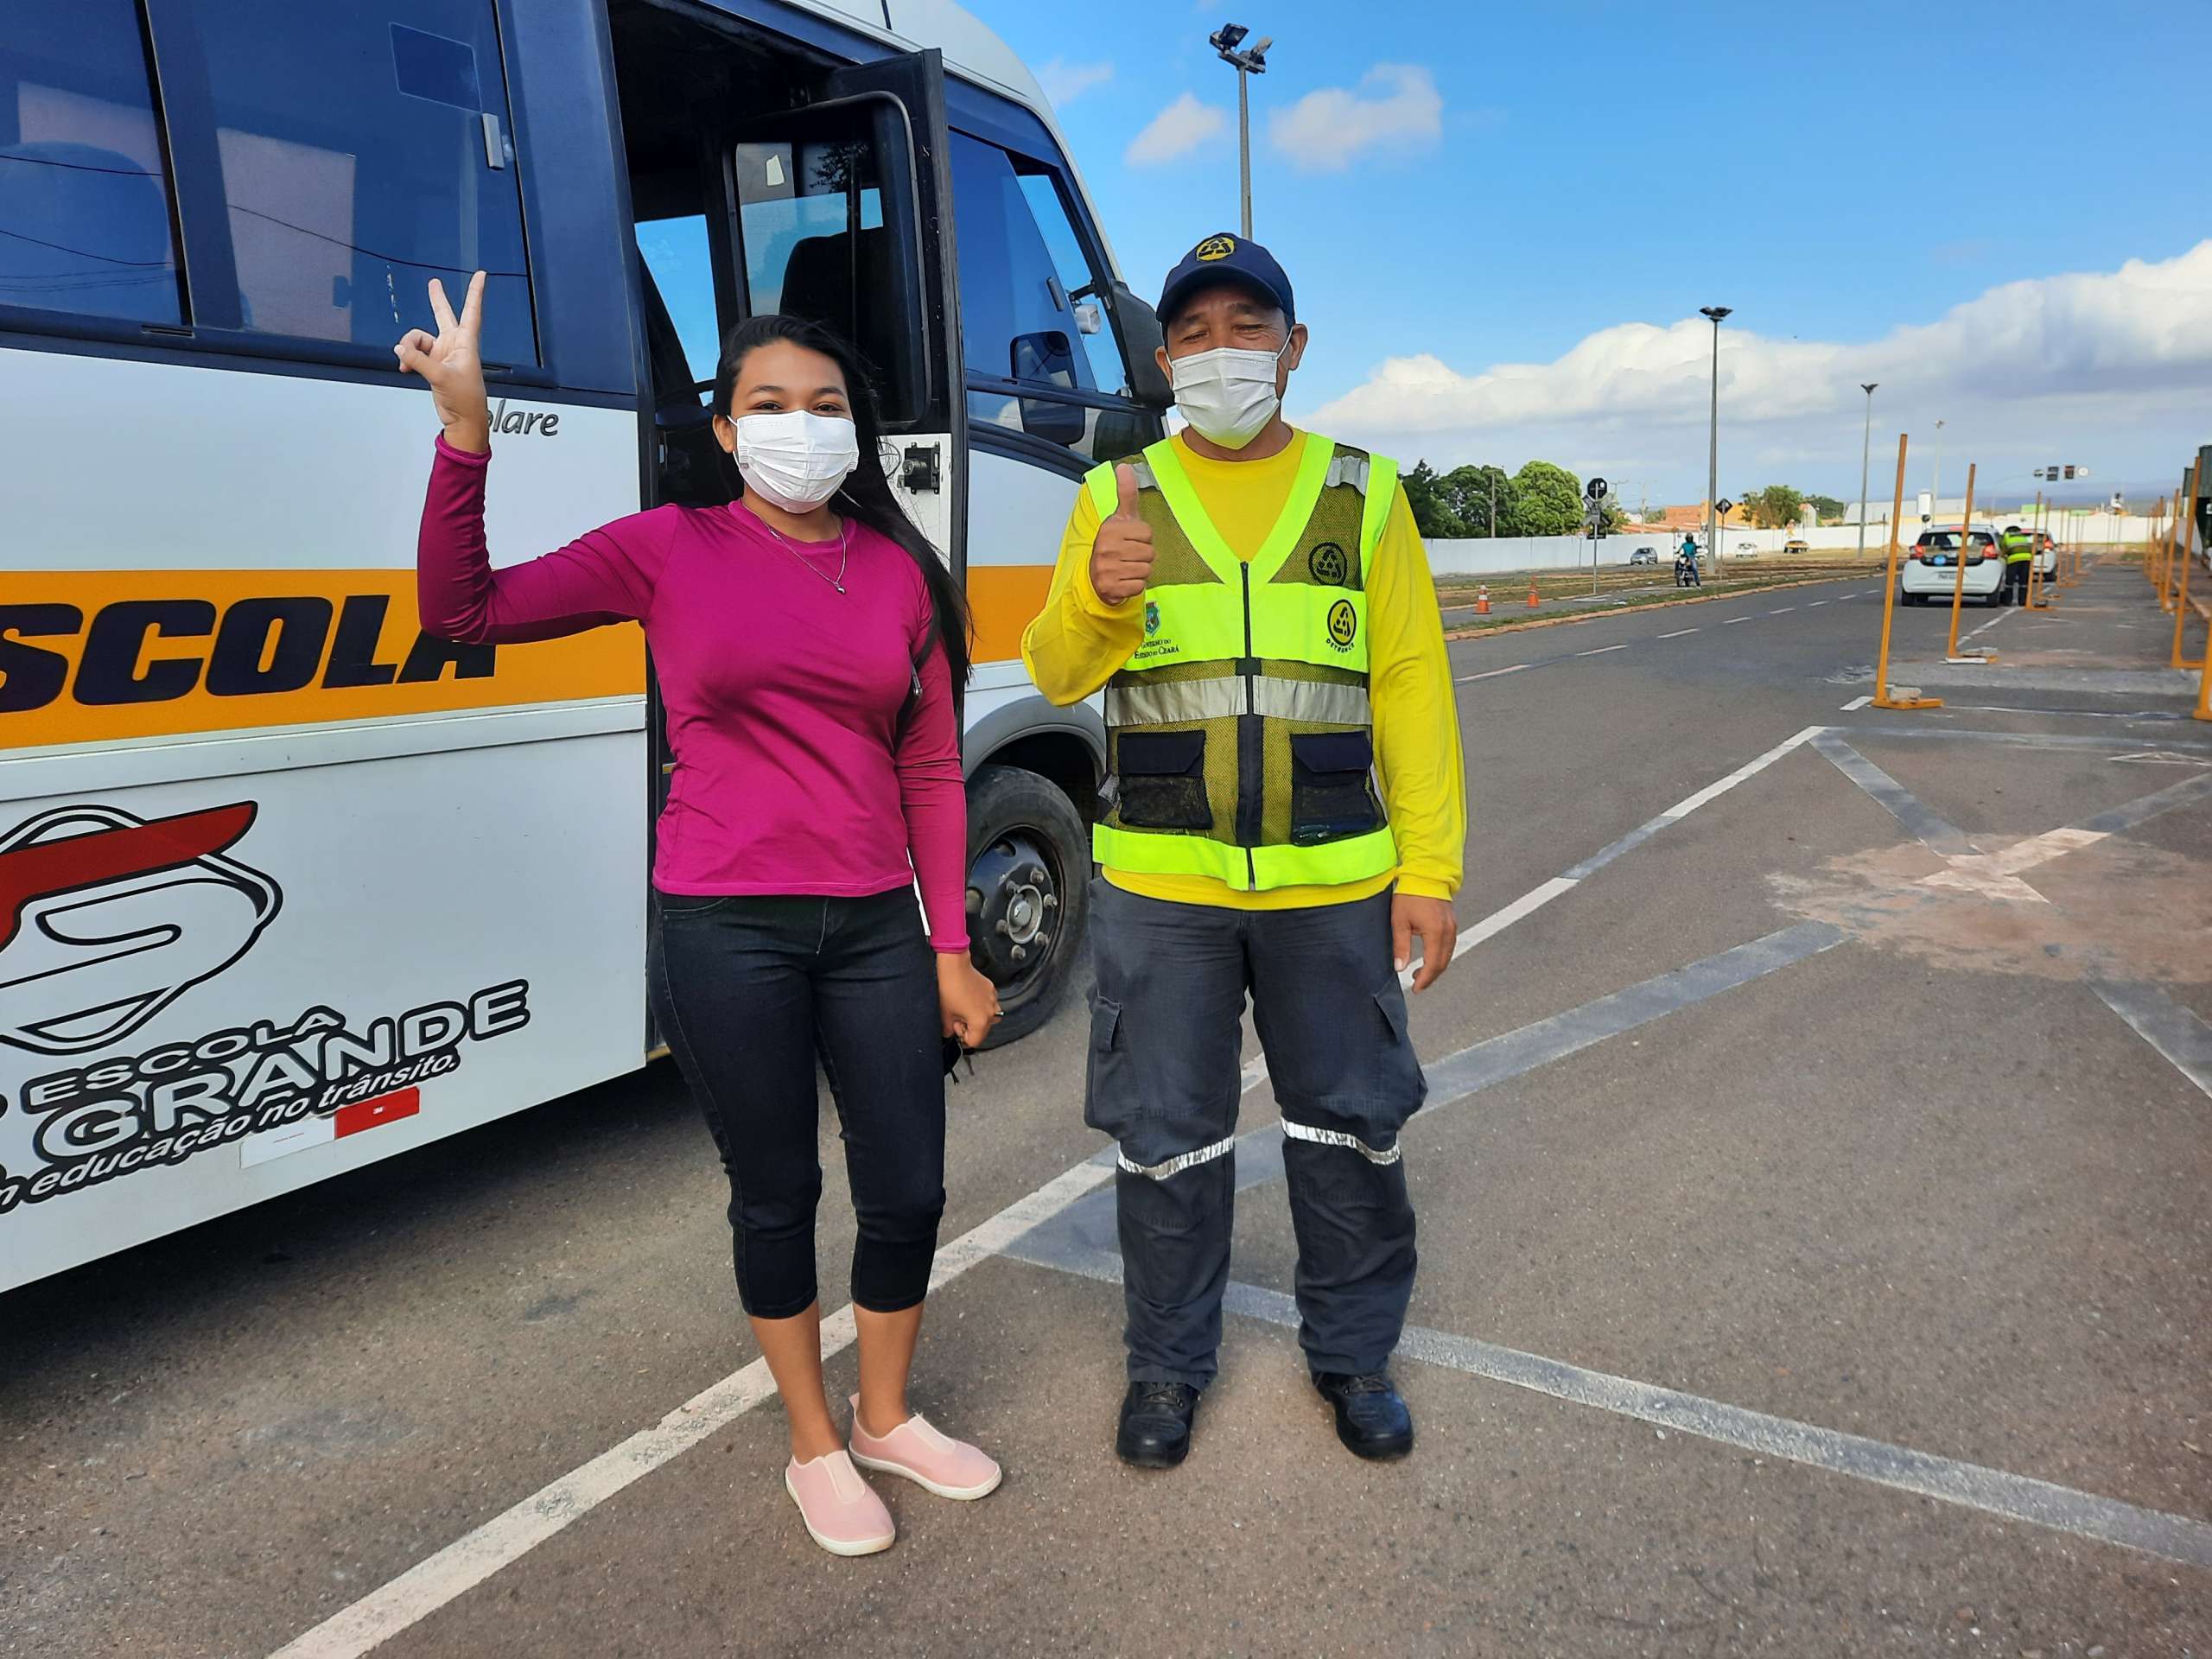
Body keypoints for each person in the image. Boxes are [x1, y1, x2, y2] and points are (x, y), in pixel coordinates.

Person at [398, 276, 1003, 1558]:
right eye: (770, 404)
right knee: (776, 1192)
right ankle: (813, 1443)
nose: (801, 424)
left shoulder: (898, 572)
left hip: (875, 930)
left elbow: (932, 769)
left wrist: (951, 944)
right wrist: (465, 437)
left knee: (909, 1189)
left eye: (826, 404)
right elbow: (464, 611)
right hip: (726, 924)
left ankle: (887, 1415)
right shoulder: (668, 547)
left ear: (859, 430)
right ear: (726, 431)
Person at [1022, 233, 1465, 1468]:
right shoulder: (1114, 496)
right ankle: (1167, 1370)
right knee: (1167, 1139)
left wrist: (1429, 871)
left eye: (1249, 326)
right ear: (1165, 360)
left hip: (1336, 883)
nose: (1225, 351)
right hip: (1164, 890)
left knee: (1352, 1126)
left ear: (1295, 345)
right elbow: (1055, 668)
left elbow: (1414, 692)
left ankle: (1355, 1356)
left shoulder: (1365, 494)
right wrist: (1098, 598)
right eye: (1197, 333)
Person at [2001, 524, 2034, 604]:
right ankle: (2023, 601)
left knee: (2009, 582)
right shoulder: (2022, 536)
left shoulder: (2007, 535)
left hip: (2014, 560)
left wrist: (2004, 556)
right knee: (2024, 582)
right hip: (2027, 559)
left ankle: (2008, 601)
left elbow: (2003, 548)